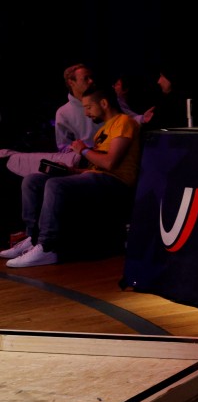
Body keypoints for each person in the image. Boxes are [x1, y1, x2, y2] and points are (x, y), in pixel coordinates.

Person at [0, 85, 142, 267]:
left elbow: (109, 163)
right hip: (98, 178)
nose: (86, 113)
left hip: (117, 184)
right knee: (33, 180)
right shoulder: (101, 132)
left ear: (104, 103)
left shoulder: (124, 122)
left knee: (56, 185)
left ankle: (47, 246)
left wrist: (83, 150)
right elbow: (97, 167)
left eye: (88, 107)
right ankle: (33, 238)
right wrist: (72, 171)